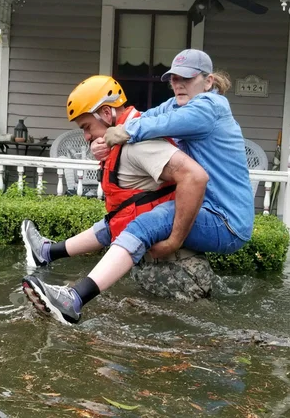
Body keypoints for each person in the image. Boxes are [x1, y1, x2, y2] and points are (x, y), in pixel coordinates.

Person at [22, 49, 255, 325]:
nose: (178, 84)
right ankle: (48, 252)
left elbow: (165, 128)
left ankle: (74, 299)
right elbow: (146, 117)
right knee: (129, 214)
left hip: (226, 220)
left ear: (208, 81)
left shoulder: (210, 106)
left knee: (144, 224)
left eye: (187, 78)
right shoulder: (177, 104)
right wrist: (105, 139)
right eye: (174, 79)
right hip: (207, 208)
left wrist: (174, 241)